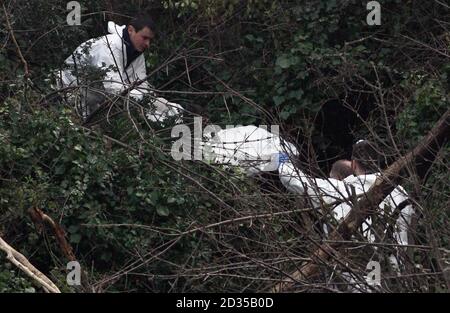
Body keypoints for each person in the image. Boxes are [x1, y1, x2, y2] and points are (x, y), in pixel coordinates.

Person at [278, 140, 415, 289]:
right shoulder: (401, 193)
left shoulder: (340, 190)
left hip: (354, 279)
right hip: (395, 279)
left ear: (354, 165)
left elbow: (293, 180)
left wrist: (283, 156)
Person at [56, 14, 182, 121]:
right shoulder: (109, 45)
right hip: (64, 93)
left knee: (170, 108)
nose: (147, 44)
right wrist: (146, 100)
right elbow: (113, 87)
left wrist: (156, 101)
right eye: (144, 38)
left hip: (89, 102)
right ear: (131, 30)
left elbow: (140, 84)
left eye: (150, 40)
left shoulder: (136, 54)